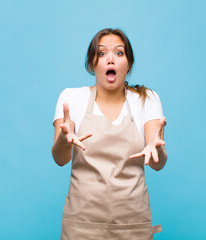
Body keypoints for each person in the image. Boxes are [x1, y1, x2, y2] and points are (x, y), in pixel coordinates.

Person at [52, 28, 167, 240]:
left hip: (133, 226)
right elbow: (60, 158)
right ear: (92, 64)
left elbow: (158, 163)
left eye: (119, 53)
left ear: (129, 63)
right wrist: (64, 139)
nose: (111, 59)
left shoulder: (146, 99)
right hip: (81, 226)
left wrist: (156, 148)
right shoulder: (72, 99)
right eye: (102, 53)